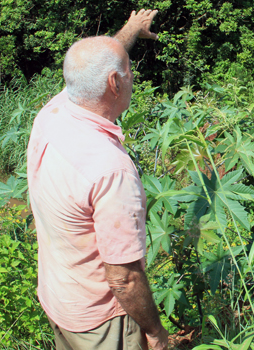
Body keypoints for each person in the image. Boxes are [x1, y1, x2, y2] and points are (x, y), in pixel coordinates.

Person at [27, 9, 168, 350]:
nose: (132, 77)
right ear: (115, 83)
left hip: (59, 300)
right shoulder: (111, 170)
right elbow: (125, 278)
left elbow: (95, 65)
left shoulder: (54, 113)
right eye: (129, 72)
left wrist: (132, 29)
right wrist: (155, 333)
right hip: (101, 324)